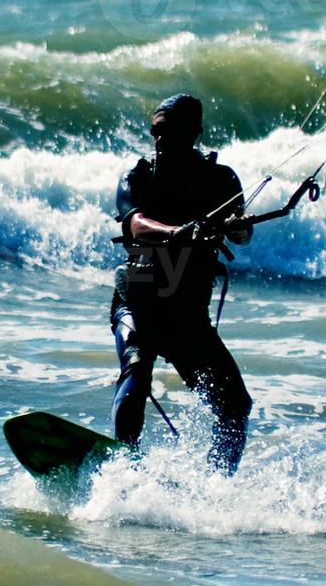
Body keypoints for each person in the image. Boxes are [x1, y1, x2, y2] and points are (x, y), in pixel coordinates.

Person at [109, 94, 254, 473]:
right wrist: (176, 232)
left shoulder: (221, 180)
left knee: (235, 406)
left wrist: (239, 226)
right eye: (155, 132)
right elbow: (134, 222)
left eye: (169, 132)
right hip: (139, 294)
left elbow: (241, 234)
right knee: (137, 371)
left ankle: (216, 483)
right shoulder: (138, 176)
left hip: (186, 312)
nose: (160, 140)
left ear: (194, 132)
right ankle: (125, 465)